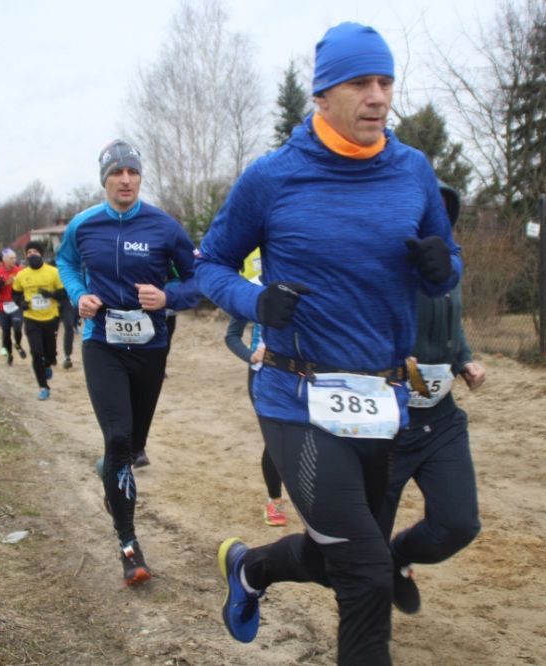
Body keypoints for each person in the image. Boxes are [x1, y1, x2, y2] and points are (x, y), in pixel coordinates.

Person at [196, 22, 461, 664]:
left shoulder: (412, 170)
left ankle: (251, 570)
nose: (378, 97)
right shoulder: (273, 177)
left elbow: (447, 262)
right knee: (368, 572)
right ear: (322, 95)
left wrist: (441, 267)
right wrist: (254, 301)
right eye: (360, 83)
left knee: (336, 557)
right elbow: (210, 264)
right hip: (296, 396)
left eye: (386, 82)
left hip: (381, 400)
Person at [56, 139, 200, 586]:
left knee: (133, 448)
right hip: (103, 343)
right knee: (117, 438)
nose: (125, 179)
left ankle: (113, 478)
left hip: (150, 346)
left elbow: (199, 279)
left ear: (140, 177)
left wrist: (168, 297)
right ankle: (129, 545)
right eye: (116, 173)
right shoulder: (83, 225)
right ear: (104, 179)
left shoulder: (165, 227)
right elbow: (66, 263)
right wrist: (79, 295)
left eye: (132, 172)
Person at [376, 182, 483, 616]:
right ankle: (371, 619)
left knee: (459, 524)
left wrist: (465, 359)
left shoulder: (450, 263)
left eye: (440, 211)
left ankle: (398, 557)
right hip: (386, 426)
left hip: (440, 420)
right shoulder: (381, 262)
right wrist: (392, 361)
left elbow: (452, 323)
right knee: (367, 540)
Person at [224, 272, 287, 527]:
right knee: (276, 438)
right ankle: (275, 500)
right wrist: (250, 356)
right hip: (264, 375)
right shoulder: (252, 286)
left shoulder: (308, 278)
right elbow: (232, 336)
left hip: (303, 374)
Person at [13, 242, 65, 400]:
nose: (32, 254)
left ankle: (48, 363)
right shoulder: (22, 275)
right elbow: (15, 294)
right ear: (25, 255)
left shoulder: (53, 272)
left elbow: (63, 293)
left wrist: (51, 294)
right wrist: (21, 303)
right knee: (36, 353)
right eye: (29, 252)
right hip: (31, 319)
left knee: (50, 353)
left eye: (35, 251)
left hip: (51, 318)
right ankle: (43, 387)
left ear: (41, 254)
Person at [0, 248, 26, 366]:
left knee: (18, 326)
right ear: (4, 260)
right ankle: (9, 355)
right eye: (11, 258)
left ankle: (18, 344)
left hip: (16, 304)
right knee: (6, 332)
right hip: (3, 306)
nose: (14, 260)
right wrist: (1, 284)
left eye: (15, 258)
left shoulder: (20, 271)